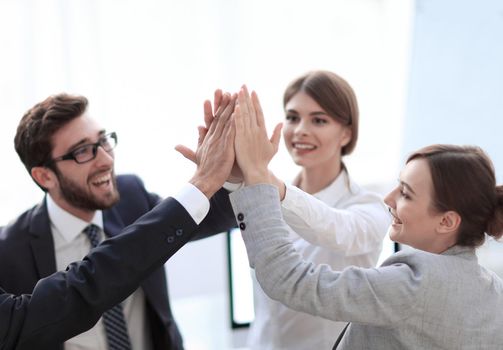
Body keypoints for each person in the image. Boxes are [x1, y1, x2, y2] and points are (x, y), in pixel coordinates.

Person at [228, 86, 503, 349]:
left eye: (406, 193)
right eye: (292, 117)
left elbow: (289, 280)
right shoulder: (494, 291)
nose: (389, 198)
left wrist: (257, 179)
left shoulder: (412, 284)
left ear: (447, 221)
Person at [0, 91, 236, 350]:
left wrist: (232, 175)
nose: (106, 160)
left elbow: (202, 215)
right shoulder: (9, 251)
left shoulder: (131, 196)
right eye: (83, 151)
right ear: (45, 177)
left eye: (104, 141)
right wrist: (202, 181)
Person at [245, 71, 390, 349]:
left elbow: (336, 229)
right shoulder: (268, 193)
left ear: (346, 133)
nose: (300, 130)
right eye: (292, 117)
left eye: (319, 120)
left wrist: (269, 184)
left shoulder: (368, 207)